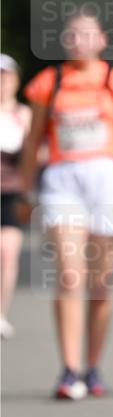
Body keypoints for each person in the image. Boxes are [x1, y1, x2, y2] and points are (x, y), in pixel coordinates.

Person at [21, 8, 113, 399]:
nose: (78, 40)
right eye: (72, 34)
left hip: (108, 179)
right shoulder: (49, 82)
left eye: (86, 34)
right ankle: (69, 369)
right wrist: (26, 189)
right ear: (64, 42)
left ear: (102, 41)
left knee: (101, 283)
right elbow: (33, 140)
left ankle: (93, 366)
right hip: (63, 180)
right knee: (68, 275)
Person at [0, 54, 32, 338]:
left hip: (12, 193)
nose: (2, 82)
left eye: (6, 76)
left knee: (7, 254)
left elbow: (36, 156)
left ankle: (1, 313)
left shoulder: (24, 115)